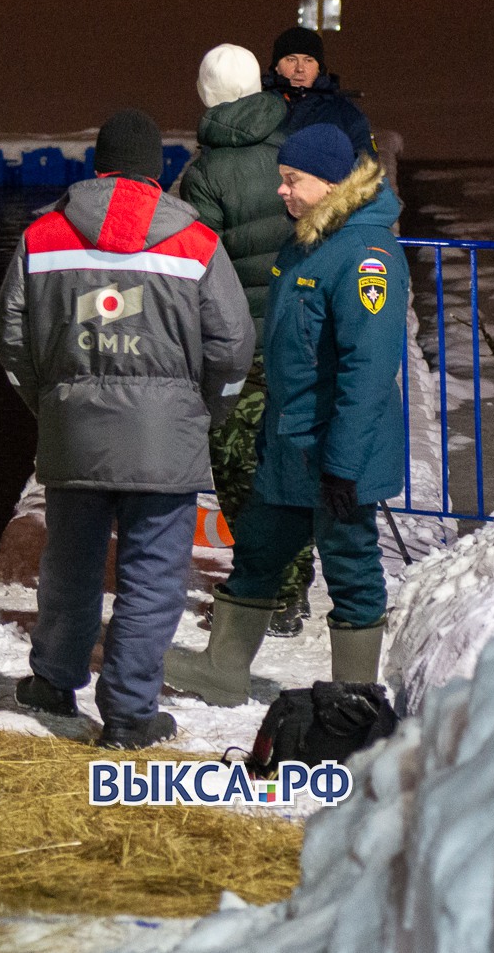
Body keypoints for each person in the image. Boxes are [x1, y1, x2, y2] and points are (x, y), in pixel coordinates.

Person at [0, 109, 254, 749]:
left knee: (69, 566)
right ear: (157, 172)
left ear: (98, 165)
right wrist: (203, 412)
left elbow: (11, 340)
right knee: (152, 577)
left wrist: (54, 403)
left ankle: (54, 683)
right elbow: (233, 346)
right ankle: (129, 714)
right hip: (165, 441)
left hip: (74, 433)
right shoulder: (196, 242)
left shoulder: (44, 236)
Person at [165, 125, 408, 705]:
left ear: (330, 183)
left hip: (335, 454)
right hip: (292, 443)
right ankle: (223, 670)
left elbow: (367, 370)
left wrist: (343, 465)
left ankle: (354, 701)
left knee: (351, 567)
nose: (282, 191)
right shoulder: (311, 241)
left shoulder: (366, 256)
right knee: (258, 551)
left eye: (291, 180)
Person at [180, 42, 317, 635]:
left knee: (237, 469)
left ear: (207, 95)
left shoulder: (205, 172)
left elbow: (194, 269)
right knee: (290, 462)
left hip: (238, 345)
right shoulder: (294, 149)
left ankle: (262, 594)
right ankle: (294, 588)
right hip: (299, 335)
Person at [265, 26, 374, 155]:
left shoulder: (345, 113)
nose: (300, 68)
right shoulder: (258, 106)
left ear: (319, 68)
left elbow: (367, 167)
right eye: (291, 60)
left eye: (309, 60)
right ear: (276, 67)